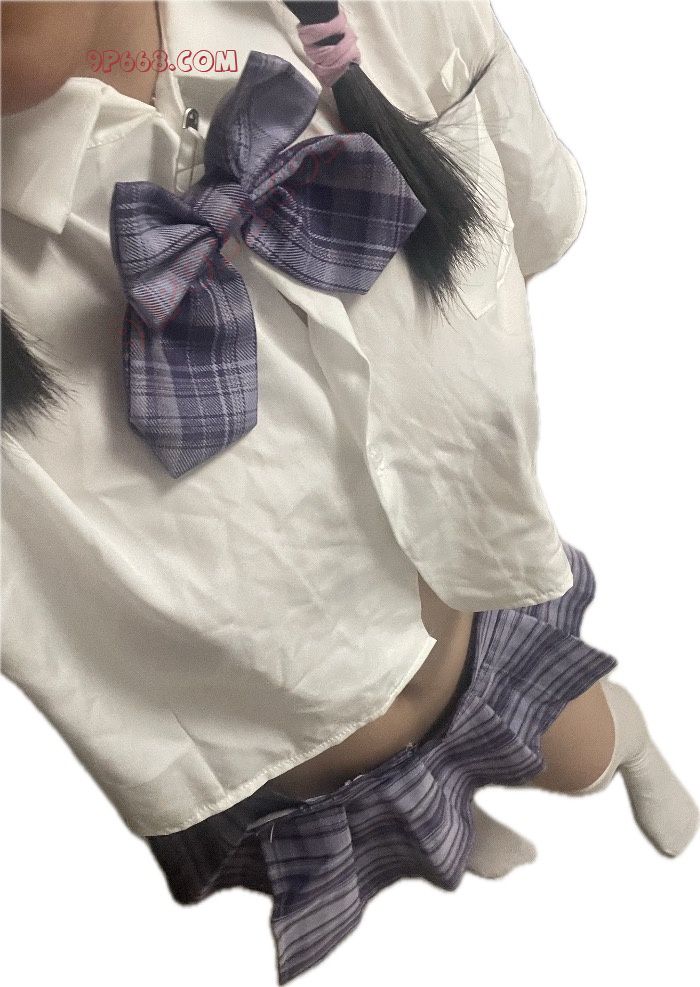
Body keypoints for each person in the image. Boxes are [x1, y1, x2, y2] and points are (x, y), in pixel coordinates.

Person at [1, 3, 697, 984]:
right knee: (418, 853)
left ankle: (627, 745)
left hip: (468, 639)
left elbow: (526, 217)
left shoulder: (371, 20)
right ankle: (462, 835)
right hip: (286, 780)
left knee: (579, 751)